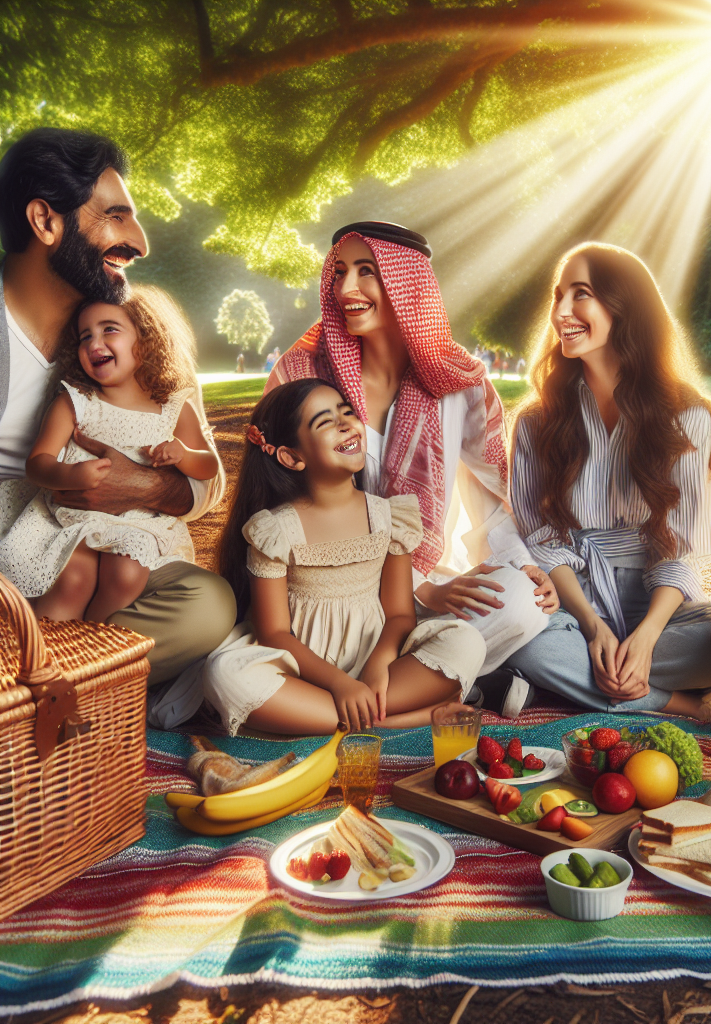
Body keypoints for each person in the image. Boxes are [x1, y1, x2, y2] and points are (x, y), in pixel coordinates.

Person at [502, 242, 711, 733]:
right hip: (573, 598)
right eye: (558, 295)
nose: (561, 312)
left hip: (660, 601)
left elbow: (682, 549)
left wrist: (645, 636)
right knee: (532, 644)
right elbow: (544, 539)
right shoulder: (537, 422)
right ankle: (697, 706)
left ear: (624, 308)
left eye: (580, 295)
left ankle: (605, 680)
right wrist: (591, 623)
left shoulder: (686, 415)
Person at [266, 221, 556, 718]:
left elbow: (489, 496)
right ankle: (431, 696)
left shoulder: (459, 383)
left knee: (524, 601)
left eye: (367, 272)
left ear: (407, 284)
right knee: (236, 664)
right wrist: (421, 590)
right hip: (321, 588)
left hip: (419, 586)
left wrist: (522, 562)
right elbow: (277, 499)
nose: (346, 289)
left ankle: (332, 701)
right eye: (339, 273)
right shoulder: (300, 375)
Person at [0, 127, 234, 685]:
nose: (140, 242)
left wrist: (144, 486)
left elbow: (209, 484)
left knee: (208, 604)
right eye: (115, 216)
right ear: (45, 221)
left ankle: (52, 684)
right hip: (18, 536)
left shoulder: (134, 336)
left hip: (109, 542)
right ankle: (77, 682)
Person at [203, 379, 485, 735]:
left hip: (380, 668)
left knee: (466, 642)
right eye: (324, 422)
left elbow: (399, 613)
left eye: (346, 412)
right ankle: (397, 720)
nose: (344, 423)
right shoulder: (274, 530)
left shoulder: (390, 517)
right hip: (303, 672)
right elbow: (273, 632)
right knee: (225, 676)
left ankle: (336, 718)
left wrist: (379, 664)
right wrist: (340, 684)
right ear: (292, 456)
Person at [0, 287, 218, 623]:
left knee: (126, 575)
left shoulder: (174, 408)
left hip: (139, 523)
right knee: (73, 580)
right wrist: (70, 475)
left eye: (109, 330)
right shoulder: (75, 402)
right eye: (85, 336)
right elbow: (38, 463)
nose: (94, 343)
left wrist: (183, 453)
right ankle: (40, 658)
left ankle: (94, 643)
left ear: (145, 340)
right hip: (74, 519)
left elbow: (208, 467)